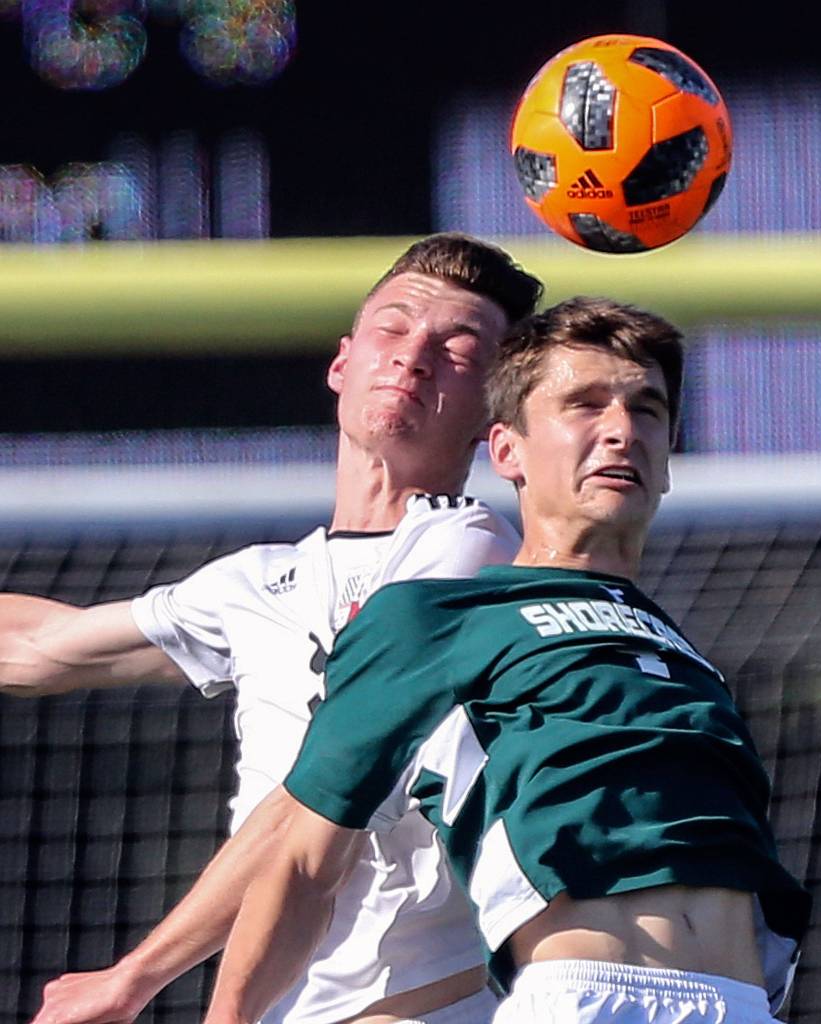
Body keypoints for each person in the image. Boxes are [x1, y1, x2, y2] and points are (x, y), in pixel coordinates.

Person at [200, 296, 812, 1024]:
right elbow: (301, 861)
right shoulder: (434, 616)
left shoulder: (682, 653)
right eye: (583, 405)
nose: (621, 431)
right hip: (587, 1001)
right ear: (506, 451)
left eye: (646, 410)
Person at [0, 233, 544, 1024]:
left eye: (456, 348)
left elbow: (322, 799)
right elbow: (33, 648)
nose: (413, 356)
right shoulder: (257, 581)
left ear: (494, 414)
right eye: (392, 330)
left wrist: (135, 975)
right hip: (289, 1006)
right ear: (340, 363)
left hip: (425, 1005)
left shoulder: (465, 553)